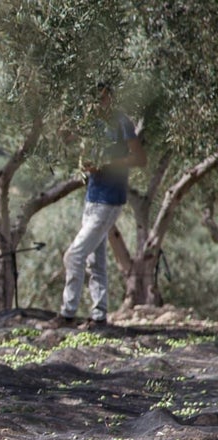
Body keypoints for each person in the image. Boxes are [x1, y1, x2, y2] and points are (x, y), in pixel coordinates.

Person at [46, 83, 146, 329]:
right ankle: (99, 317)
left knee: (74, 255)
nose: (98, 103)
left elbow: (139, 158)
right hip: (92, 197)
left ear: (110, 97)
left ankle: (68, 314)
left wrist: (108, 164)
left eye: (102, 98)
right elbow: (68, 139)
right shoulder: (91, 124)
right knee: (94, 261)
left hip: (109, 200)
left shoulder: (122, 122)